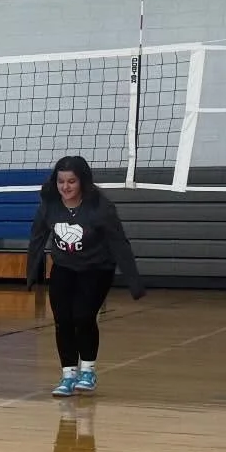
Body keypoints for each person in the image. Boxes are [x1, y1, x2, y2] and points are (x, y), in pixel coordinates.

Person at [27, 155, 145, 396]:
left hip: (97, 268)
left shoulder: (100, 207)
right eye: (61, 181)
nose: (65, 187)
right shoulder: (50, 205)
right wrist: (30, 274)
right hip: (64, 266)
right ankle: (68, 375)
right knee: (63, 320)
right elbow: (37, 237)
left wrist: (133, 281)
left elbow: (119, 243)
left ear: (82, 181)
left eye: (71, 181)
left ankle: (88, 371)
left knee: (83, 316)